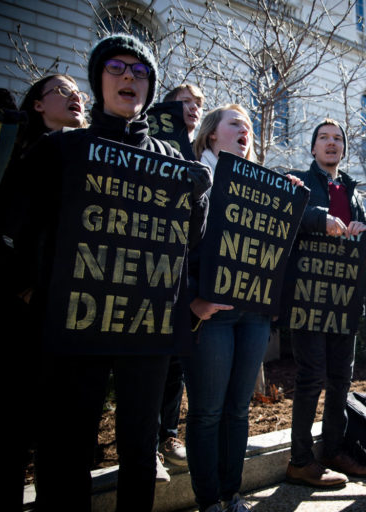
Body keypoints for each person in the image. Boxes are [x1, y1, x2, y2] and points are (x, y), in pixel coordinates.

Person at [10, 34, 210, 512]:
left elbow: (189, 239)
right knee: (68, 447)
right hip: (78, 320)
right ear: (98, 79)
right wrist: (31, 290)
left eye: (140, 72)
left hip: (146, 323)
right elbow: (19, 223)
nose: (128, 77)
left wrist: (199, 196)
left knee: (140, 449)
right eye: (117, 67)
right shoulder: (61, 148)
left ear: (149, 87)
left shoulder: (170, 156)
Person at [185, 104, 301, 512]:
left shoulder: (264, 185)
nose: (245, 130)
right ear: (212, 134)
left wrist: (284, 201)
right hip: (211, 314)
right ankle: (208, 501)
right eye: (236, 123)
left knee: (237, 410)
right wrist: (192, 299)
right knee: (207, 412)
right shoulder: (195, 175)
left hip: (253, 314)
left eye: (249, 125)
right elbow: (175, 246)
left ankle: (231, 495)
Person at [0, 75, 87, 511]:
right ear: (38, 106)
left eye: (78, 91)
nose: (75, 95)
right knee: (13, 428)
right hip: (23, 314)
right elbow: (1, 225)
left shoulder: (87, 155)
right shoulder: (20, 155)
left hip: (71, 315)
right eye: (62, 91)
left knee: (61, 434)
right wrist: (23, 284)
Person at [284, 118, 366, 488]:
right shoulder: (298, 183)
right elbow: (287, 216)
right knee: (311, 378)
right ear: (313, 147)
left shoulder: (352, 191)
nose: (331, 143)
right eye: (324, 138)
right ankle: (301, 460)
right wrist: (321, 219)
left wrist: (363, 228)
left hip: (345, 300)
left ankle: (333, 450)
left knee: (341, 379)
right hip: (308, 298)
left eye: (338, 138)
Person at [154, 83, 205, 473]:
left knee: (174, 363)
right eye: (185, 102)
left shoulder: (200, 155)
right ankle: (146, 443)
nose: (193, 108)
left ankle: (168, 434)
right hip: (151, 273)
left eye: (199, 104)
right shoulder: (152, 144)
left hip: (186, 278)